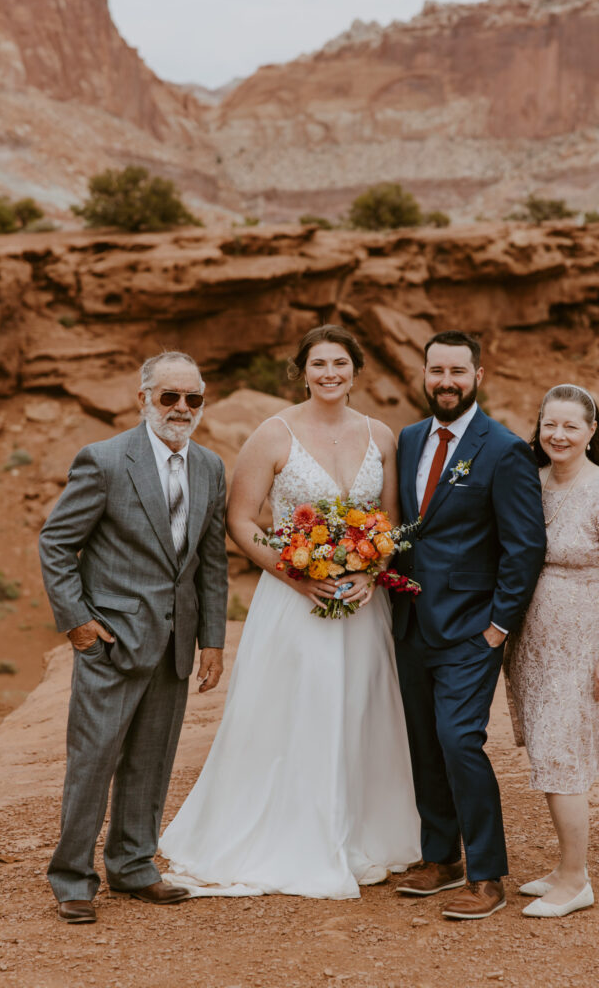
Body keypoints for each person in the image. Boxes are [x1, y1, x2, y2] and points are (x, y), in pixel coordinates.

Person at [159, 325, 421, 898]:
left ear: (356, 370)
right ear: (302, 371)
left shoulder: (382, 435)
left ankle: (363, 831)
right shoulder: (272, 434)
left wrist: (370, 571)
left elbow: (393, 521)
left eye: (341, 363)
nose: (330, 373)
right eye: (319, 364)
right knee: (296, 710)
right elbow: (242, 521)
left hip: (360, 605)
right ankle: (288, 832)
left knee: (359, 710)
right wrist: (294, 574)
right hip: (293, 601)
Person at [39, 351, 228, 924]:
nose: (180, 408)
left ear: (202, 402)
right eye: (168, 397)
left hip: (174, 643)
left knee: (151, 760)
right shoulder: (103, 460)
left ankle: (133, 866)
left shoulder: (211, 468)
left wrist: (212, 640)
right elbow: (56, 543)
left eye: (191, 398)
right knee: (93, 762)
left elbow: (210, 562)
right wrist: (77, 624)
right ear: (142, 397)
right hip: (110, 642)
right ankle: (72, 878)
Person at [392, 330, 547, 920]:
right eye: (436, 371)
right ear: (425, 374)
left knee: (460, 741)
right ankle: (442, 857)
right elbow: (411, 526)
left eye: (458, 371)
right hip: (409, 623)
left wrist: (499, 627)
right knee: (425, 743)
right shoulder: (408, 439)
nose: (446, 381)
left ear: (478, 375)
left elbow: (524, 546)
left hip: (471, 629)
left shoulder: (504, 449)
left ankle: (487, 874)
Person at [505, 383, 599, 918]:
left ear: (592, 432)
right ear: (539, 426)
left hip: (586, 644)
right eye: (551, 424)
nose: (559, 435)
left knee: (562, 757)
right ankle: (563, 867)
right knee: (548, 753)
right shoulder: (533, 481)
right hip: (536, 646)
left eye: (572, 425)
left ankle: (576, 881)